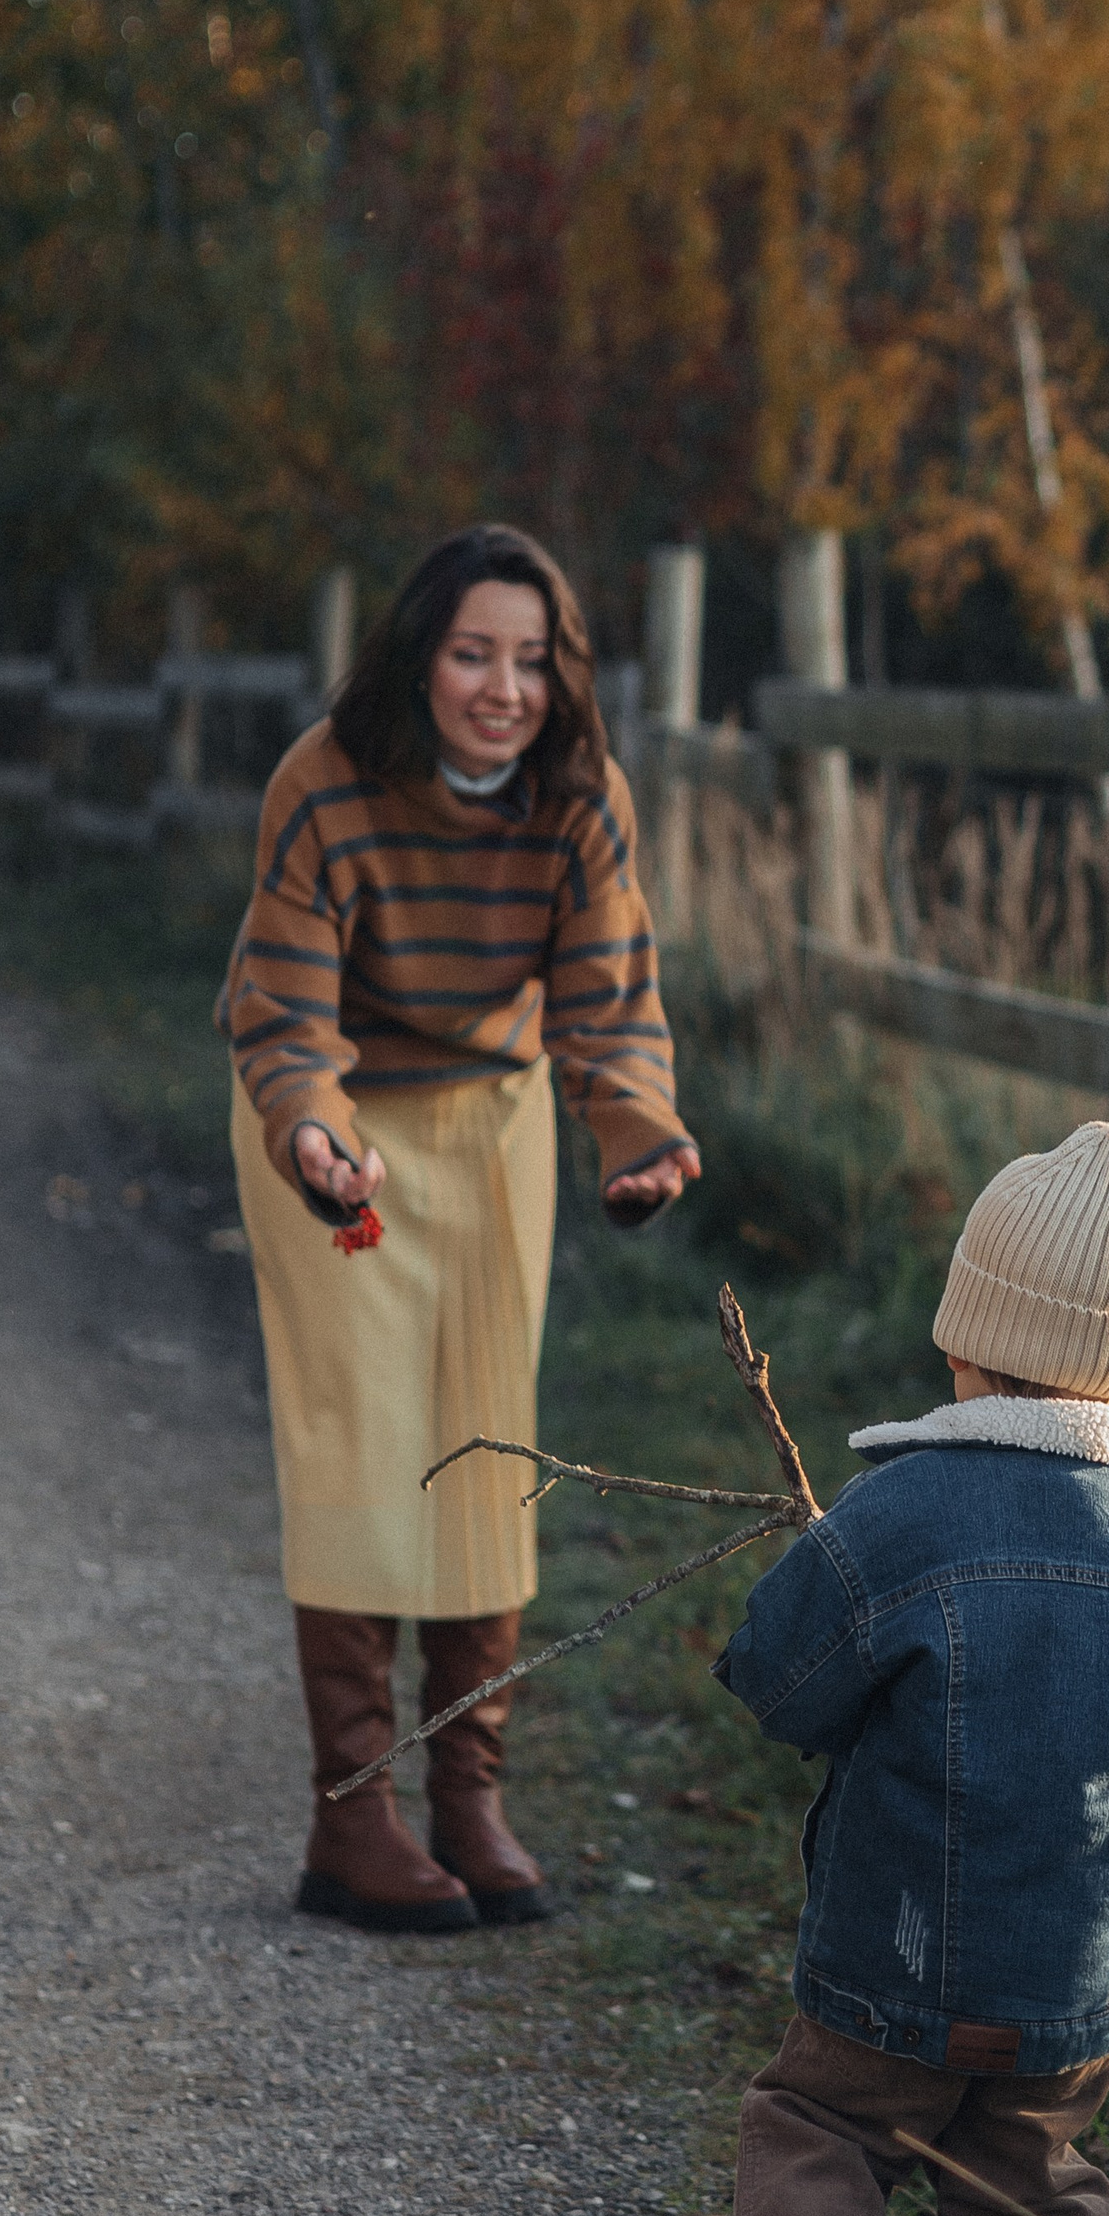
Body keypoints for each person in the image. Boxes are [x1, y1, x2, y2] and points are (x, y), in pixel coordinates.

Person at [692, 1121, 1109, 2216]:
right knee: (1039, 2184)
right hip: (1071, 1994)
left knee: (818, 2125)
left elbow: (780, 1684)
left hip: (893, 1955)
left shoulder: (901, 1510)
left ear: (968, 1340)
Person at [218, 523, 698, 1935]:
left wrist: (635, 1133)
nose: (503, 686)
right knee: (361, 1437)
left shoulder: (578, 794)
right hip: (340, 1121)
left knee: (486, 1444)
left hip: (492, 1118)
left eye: (531, 659)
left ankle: (469, 1793)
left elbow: (607, 999)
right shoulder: (323, 781)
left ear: (563, 677)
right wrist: (309, 1122)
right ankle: (351, 1811)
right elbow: (286, 999)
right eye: (473, 652)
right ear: (419, 656)